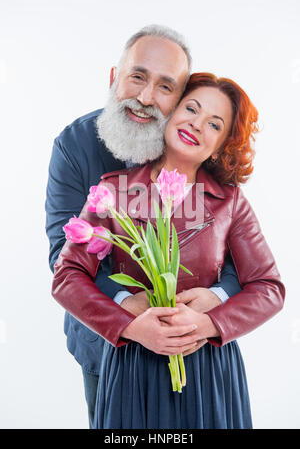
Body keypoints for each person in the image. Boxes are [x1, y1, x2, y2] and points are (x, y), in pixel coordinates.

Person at [52, 72, 285, 429]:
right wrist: (129, 325)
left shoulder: (230, 202)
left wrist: (207, 324)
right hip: (133, 364)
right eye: (191, 108)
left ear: (221, 145)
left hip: (208, 368)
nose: (196, 124)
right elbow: (67, 277)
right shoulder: (113, 191)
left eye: (214, 124)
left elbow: (269, 287)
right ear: (172, 112)